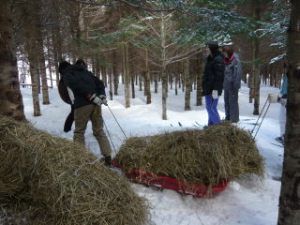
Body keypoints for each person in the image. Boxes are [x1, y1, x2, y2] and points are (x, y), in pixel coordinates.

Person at [61, 59, 112, 166]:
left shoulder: (67, 74)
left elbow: (75, 86)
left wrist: (90, 95)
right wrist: (101, 95)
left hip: (82, 105)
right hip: (96, 104)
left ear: (62, 69)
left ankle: (80, 160)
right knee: (99, 131)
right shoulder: (86, 72)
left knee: (79, 132)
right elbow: (100, 83)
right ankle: (108, 158)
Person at [202, 41, 225, 126]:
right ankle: (211, 126)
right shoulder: (210, 58)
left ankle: (218, 128)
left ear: (212, 48)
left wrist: (215, 89)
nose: (206, 49)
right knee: (209, 108)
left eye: (207, 48)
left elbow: (219, 77)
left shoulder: (218, 59)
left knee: (212, 108)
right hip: (208, 88)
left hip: (214, 89)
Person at [222, 43, 242, 123]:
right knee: (226, 102)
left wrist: (235, 85)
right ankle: (228, 117)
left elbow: (238, 74)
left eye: (225, 53)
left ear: (228, 52)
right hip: (226, 85)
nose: (224, 55)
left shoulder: (235, 60)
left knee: (233, 102)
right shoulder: (226, 60)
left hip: (233, 86)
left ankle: (234, 119)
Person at [276, 64, 288, 144]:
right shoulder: (286, 76)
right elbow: (283, 89)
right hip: (284, 98)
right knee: (282, 119)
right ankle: (283, 135)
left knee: (283, 119)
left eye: (285, 68)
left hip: (287, 99)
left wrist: (283, 97)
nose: (284, 70)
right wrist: (279, 96)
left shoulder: (290, 77)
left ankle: (284, 137)